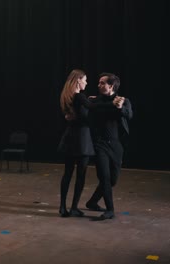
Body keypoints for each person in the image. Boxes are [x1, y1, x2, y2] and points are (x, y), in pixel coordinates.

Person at [57, 69, 118, 217]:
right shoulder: (79, 96)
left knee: (68, 173)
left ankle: (63, 207)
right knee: (80, 175)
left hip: (70, 137)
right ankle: (73, 208)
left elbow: (79, 111)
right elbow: (91, 108)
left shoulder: (69, 96)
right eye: (84, 79)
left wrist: (90, 101)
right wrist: (113, 103)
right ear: (78, 80)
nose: (86, 82)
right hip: (82, 139)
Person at [84, 72, 133, 220]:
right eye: (99, 83)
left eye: (102, 83)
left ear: (111, 86)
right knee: (104, 177)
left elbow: (129, 115)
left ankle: (92, 202)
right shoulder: (95, 100)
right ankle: (110, 210)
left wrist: (119, 107)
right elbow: (94, 108)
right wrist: (111, 104)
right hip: (100, 144)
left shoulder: (123, 101)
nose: (98, 85)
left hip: (116, 145)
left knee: (112, 180)